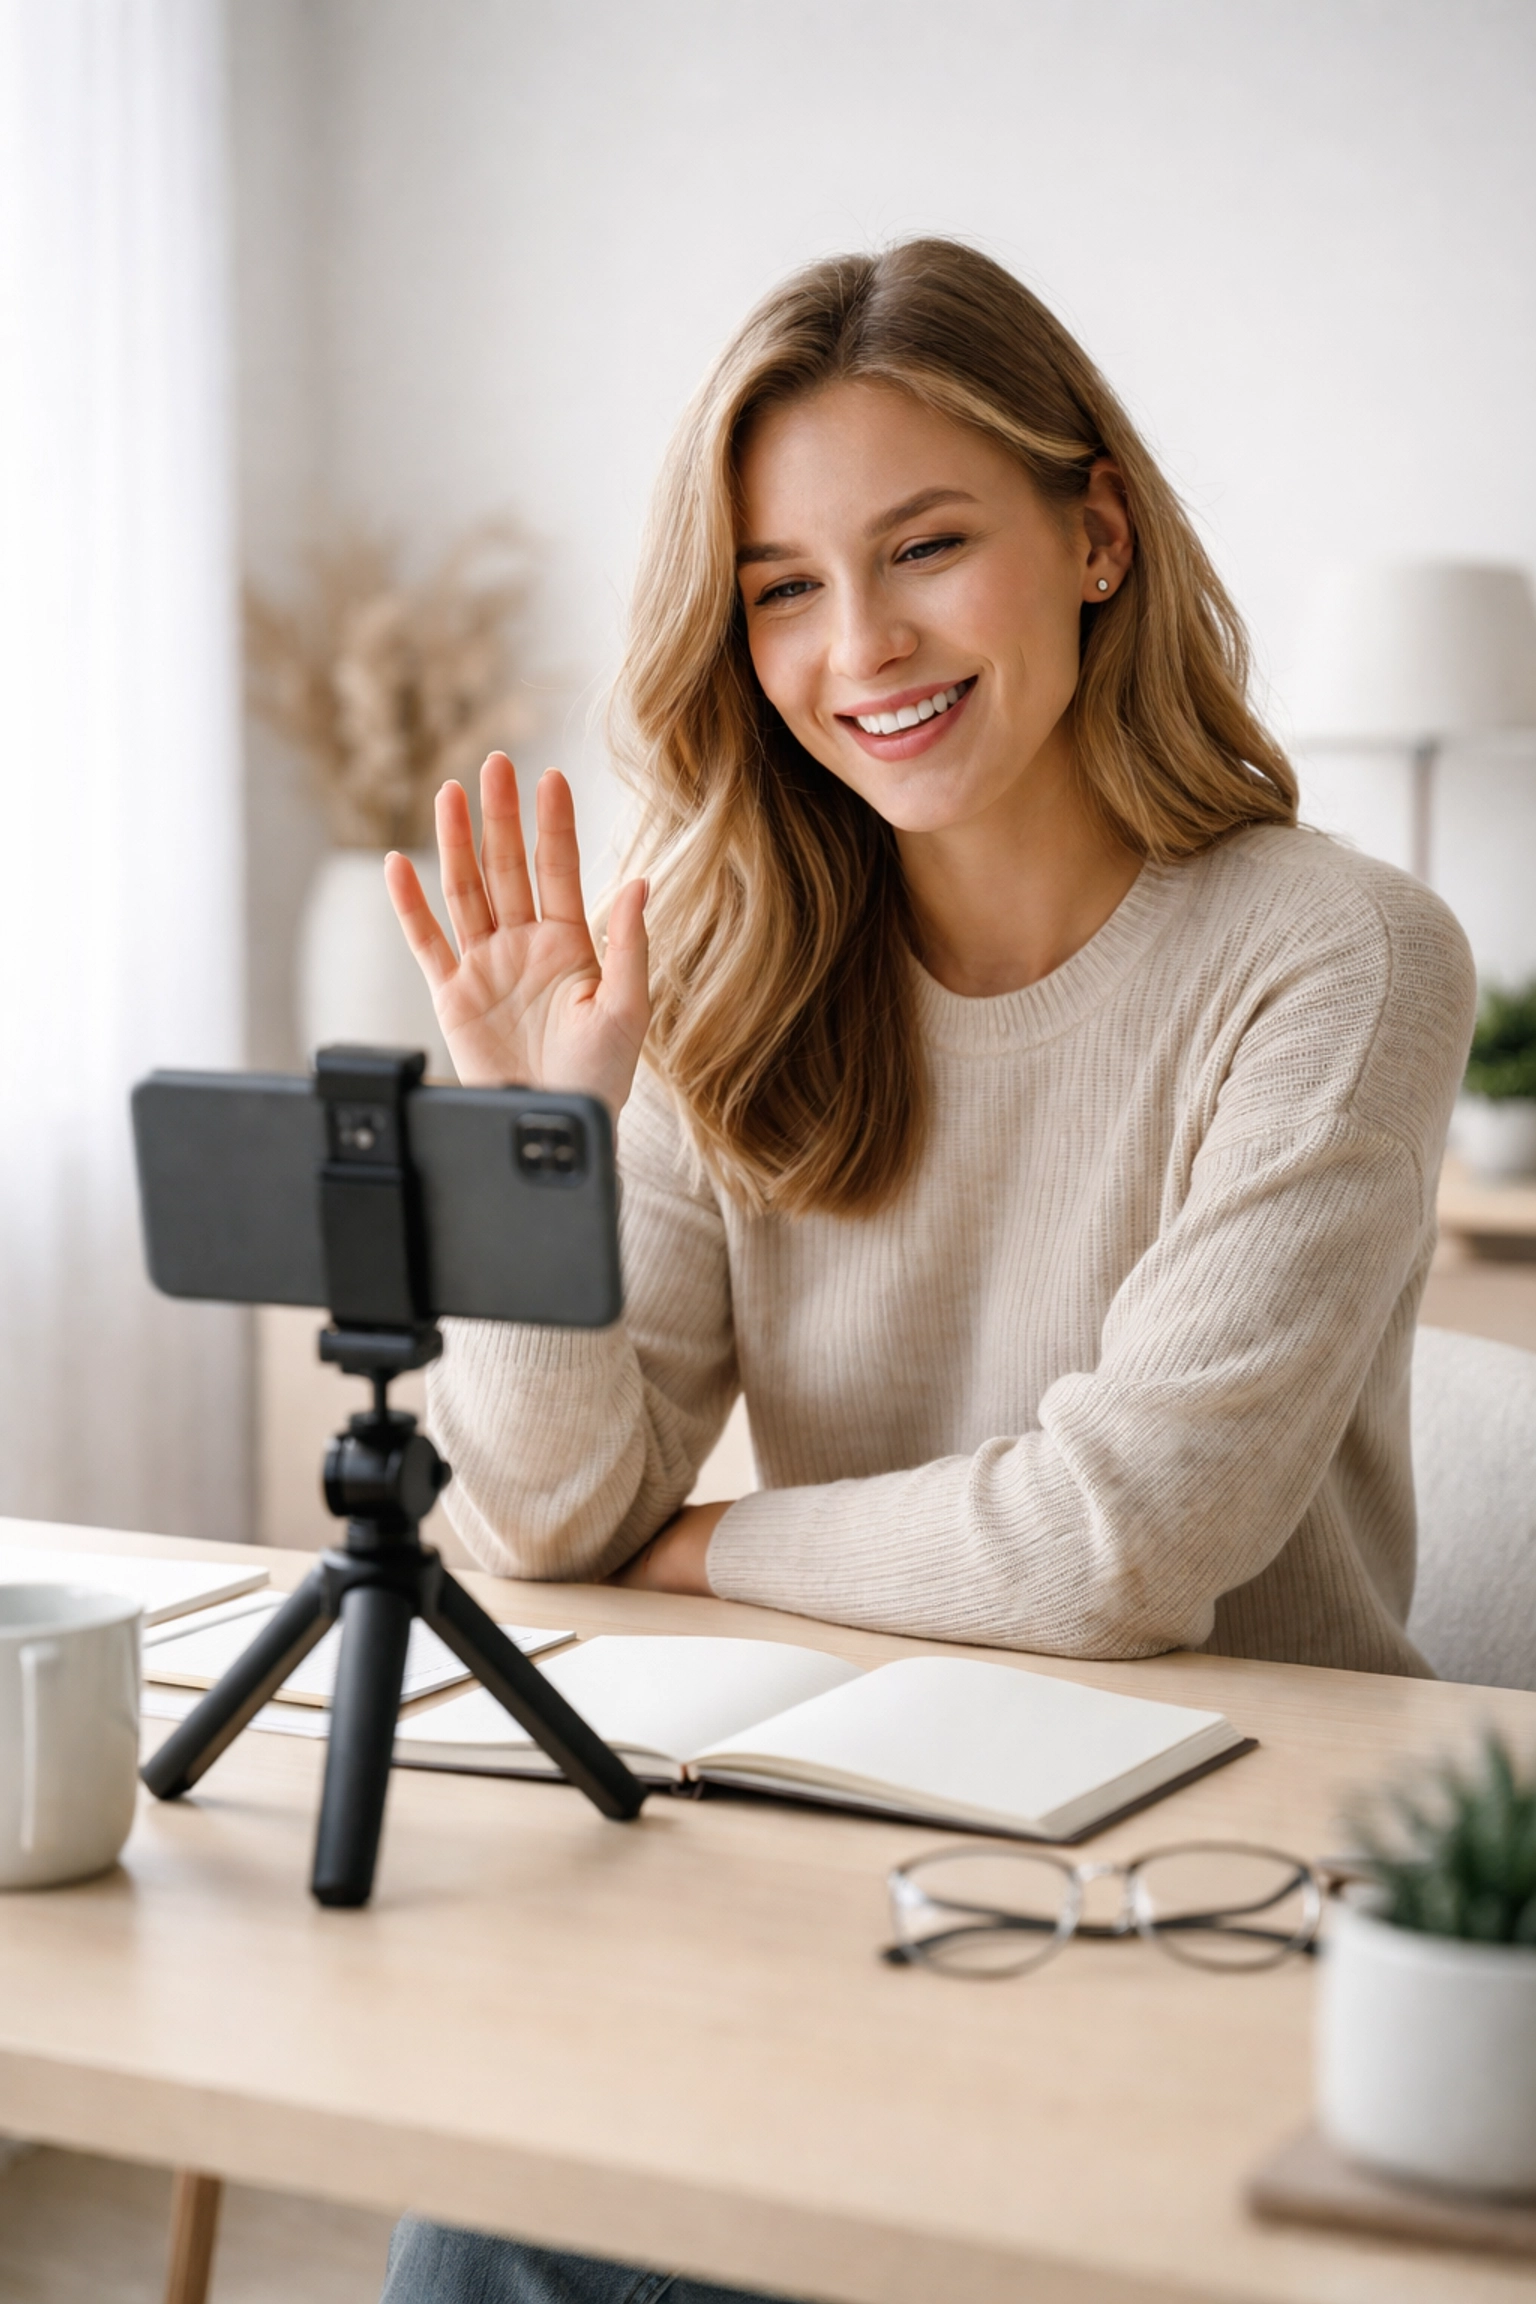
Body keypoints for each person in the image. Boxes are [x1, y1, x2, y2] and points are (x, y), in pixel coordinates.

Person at [377, 239, 1474, 2303]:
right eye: (783, 585)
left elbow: (1115, 1549)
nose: (857, 643)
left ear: (1094, 533)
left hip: (1235, 1880)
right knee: (504, 2217)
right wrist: (548, 1138)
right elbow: (537, 1520)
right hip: (845, 1834)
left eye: (924, 546)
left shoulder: (1339, 955)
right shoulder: (728, 966)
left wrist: (701, 1546)